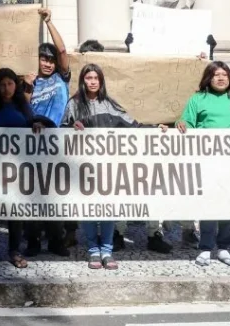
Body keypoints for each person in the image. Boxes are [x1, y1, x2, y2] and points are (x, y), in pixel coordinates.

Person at [63, 64, 170, 269]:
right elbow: (61, 132)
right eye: (88, 78)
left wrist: (157, 129)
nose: (92, 81)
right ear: (82, 81)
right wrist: (71, 127)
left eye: (96, 78)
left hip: (108, 167)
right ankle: (93, 250)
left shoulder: (111, 105)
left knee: (107, 209)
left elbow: (134, 127)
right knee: (88, 210)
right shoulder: (73, 105)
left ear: (101, 81)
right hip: (84, 167)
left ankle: (107, 250)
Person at [175, 62, 230, 267]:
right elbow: (186, 123)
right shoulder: (197, 99)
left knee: (229, 205)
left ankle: (224, 248)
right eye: (216, 75)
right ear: (208, 78)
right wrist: (180, 124)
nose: (221, 78)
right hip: (207, 163)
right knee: (209, 205)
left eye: (225, 74)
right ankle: (206, 247)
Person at [0, 68, 48, 269]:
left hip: (17, 168)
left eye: (10, 84)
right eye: (2, 84)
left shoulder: (23, 105)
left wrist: (36, 126)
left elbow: (31, 123)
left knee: (15, 211)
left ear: (16, 85)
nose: (6, 88)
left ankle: (14, 251)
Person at [25, 8, 71, 257]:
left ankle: (56, 241)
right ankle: (32, 242)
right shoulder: (31, 81)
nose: (47, 63)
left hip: (56, 143)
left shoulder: (62, 79)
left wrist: (49, 22)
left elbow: (62, 51)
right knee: (32, 195)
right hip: (32, 145)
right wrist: (28, 87)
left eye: (50, 60)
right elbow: (25, 107)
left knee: (54, 196)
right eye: (43, 59)